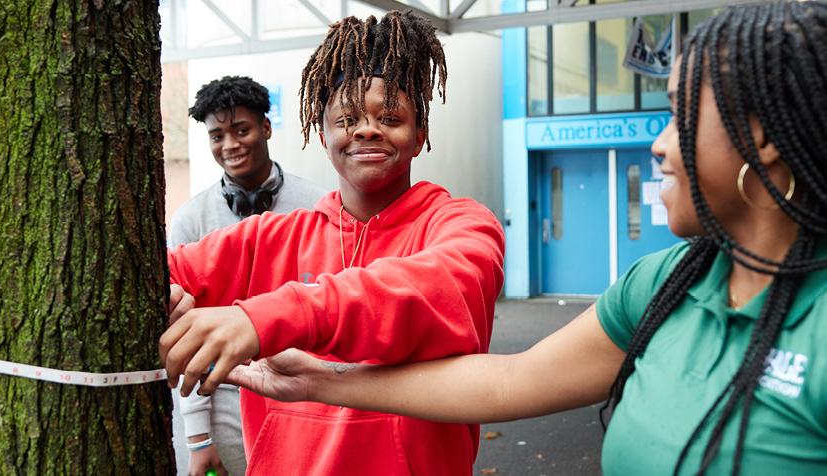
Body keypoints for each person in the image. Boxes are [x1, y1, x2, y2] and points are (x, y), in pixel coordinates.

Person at [222, 3, 827, 475]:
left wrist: (283, 315)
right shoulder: (664, 283)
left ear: (764, 137)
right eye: (346, 119)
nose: (660, 144)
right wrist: (318, 380)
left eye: (680, 115)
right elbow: (508, 381)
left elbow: (436, 290)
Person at [161, 11, 505, 476]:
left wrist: (263, 318)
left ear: (420, 134)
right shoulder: (270, 237)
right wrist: (169, 295)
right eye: (347, 118)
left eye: (390, 117)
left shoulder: (462, 225)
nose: (366, 129)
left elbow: (426, 290)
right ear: (323, 136)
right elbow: (164, 274)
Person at [169, 76, 327, 476]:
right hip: (224, 395)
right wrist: (199, 438)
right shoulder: (191, 219)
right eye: (216, 135)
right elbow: (183, 335)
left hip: (306, 392)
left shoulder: (316, 205)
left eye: (241, 130)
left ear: (267, 128)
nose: (229, 145)